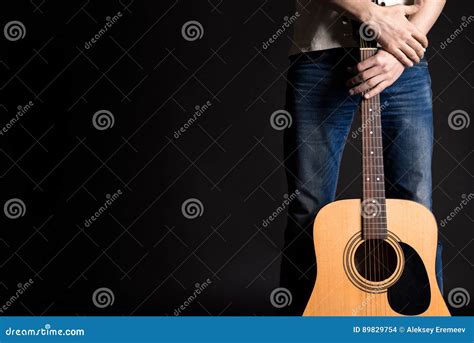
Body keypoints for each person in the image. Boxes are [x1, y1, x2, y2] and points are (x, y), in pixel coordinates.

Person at [280, 0, 446, 315]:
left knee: (416, 210)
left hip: (402, 58)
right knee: (308, 209)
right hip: (320, 52)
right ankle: (301, 327)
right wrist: (371, 15)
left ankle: (424, 329)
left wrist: (403, 45)